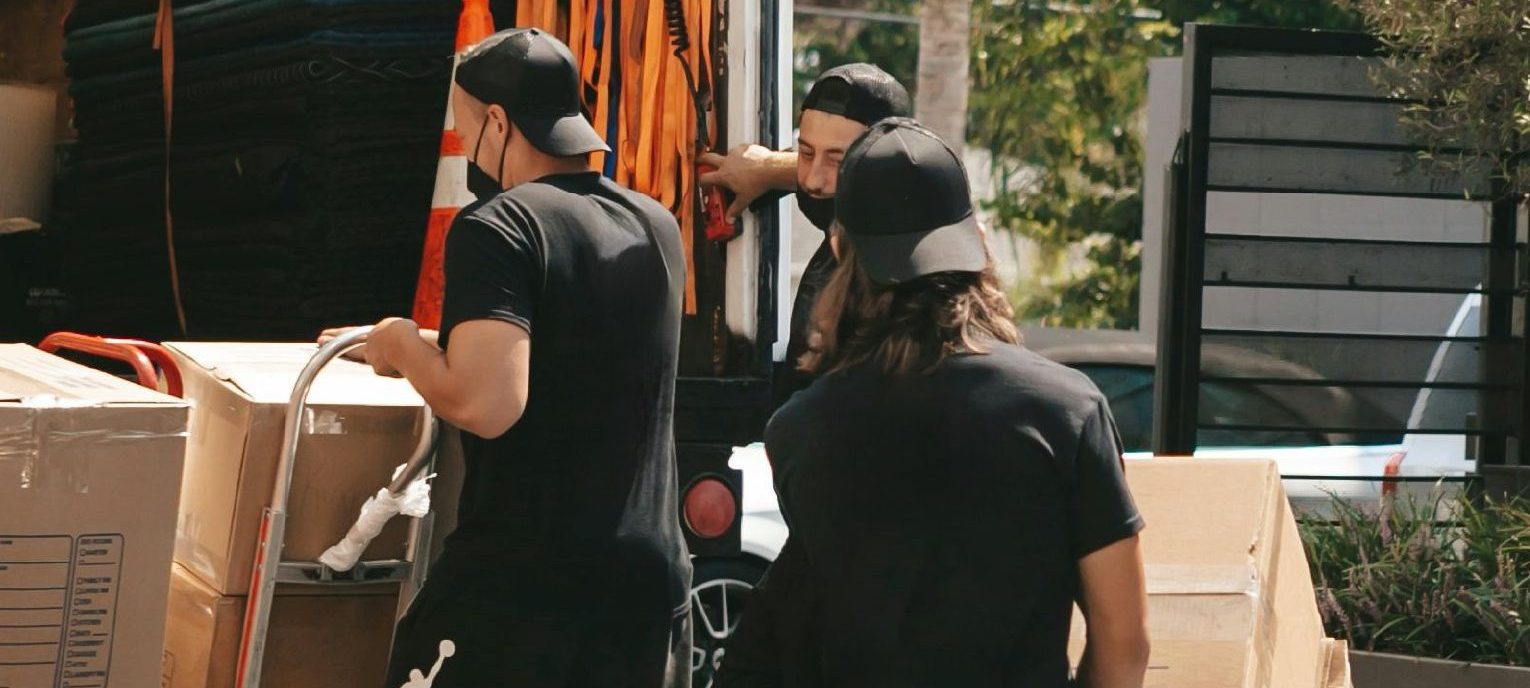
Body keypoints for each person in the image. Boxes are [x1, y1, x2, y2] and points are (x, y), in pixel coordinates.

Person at [716, 118, 1150, 687]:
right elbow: (1125, 643)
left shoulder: (799, 430)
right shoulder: (1069, 411)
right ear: (976, 244)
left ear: (841, 248)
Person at [327, 28, 691, 688]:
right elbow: (570, 356)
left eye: (466, 129)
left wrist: (401, 342)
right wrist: (423, 348)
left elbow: (487, 403)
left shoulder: (499, 226)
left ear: (497, 121)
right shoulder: (654, 223)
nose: (466, 147)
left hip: (528, 587)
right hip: (646, 584)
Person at [699, 63, 910, 401]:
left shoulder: (897, 274)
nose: (812, 180)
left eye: (837, 161)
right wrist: (768, 169)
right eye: (807, 152)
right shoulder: (839, 221)